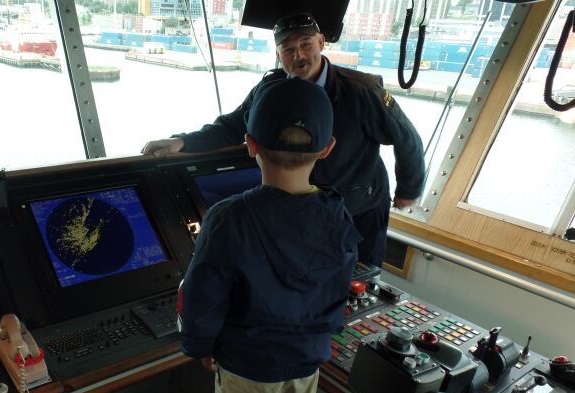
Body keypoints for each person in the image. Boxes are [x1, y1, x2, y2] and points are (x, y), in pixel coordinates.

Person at [141, 12, 424, 266]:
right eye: (288, 49)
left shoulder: (361, 91)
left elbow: (407, 138)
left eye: (305, 44)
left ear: (322, 43)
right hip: (303, 206)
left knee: (360, 281)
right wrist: (182, 143)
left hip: (358, 206)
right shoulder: (271, 88)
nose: (298, 55)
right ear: (278, 54)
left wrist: (408, 190)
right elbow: (232, 126)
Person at [179, 77, 361, 393]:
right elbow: (336, 288)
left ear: (250, 144)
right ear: (327, 149)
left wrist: (200, 346)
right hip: (307, 363)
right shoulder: (338, 213)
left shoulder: (227, 217)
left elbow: (203, 295)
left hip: (248, 367)